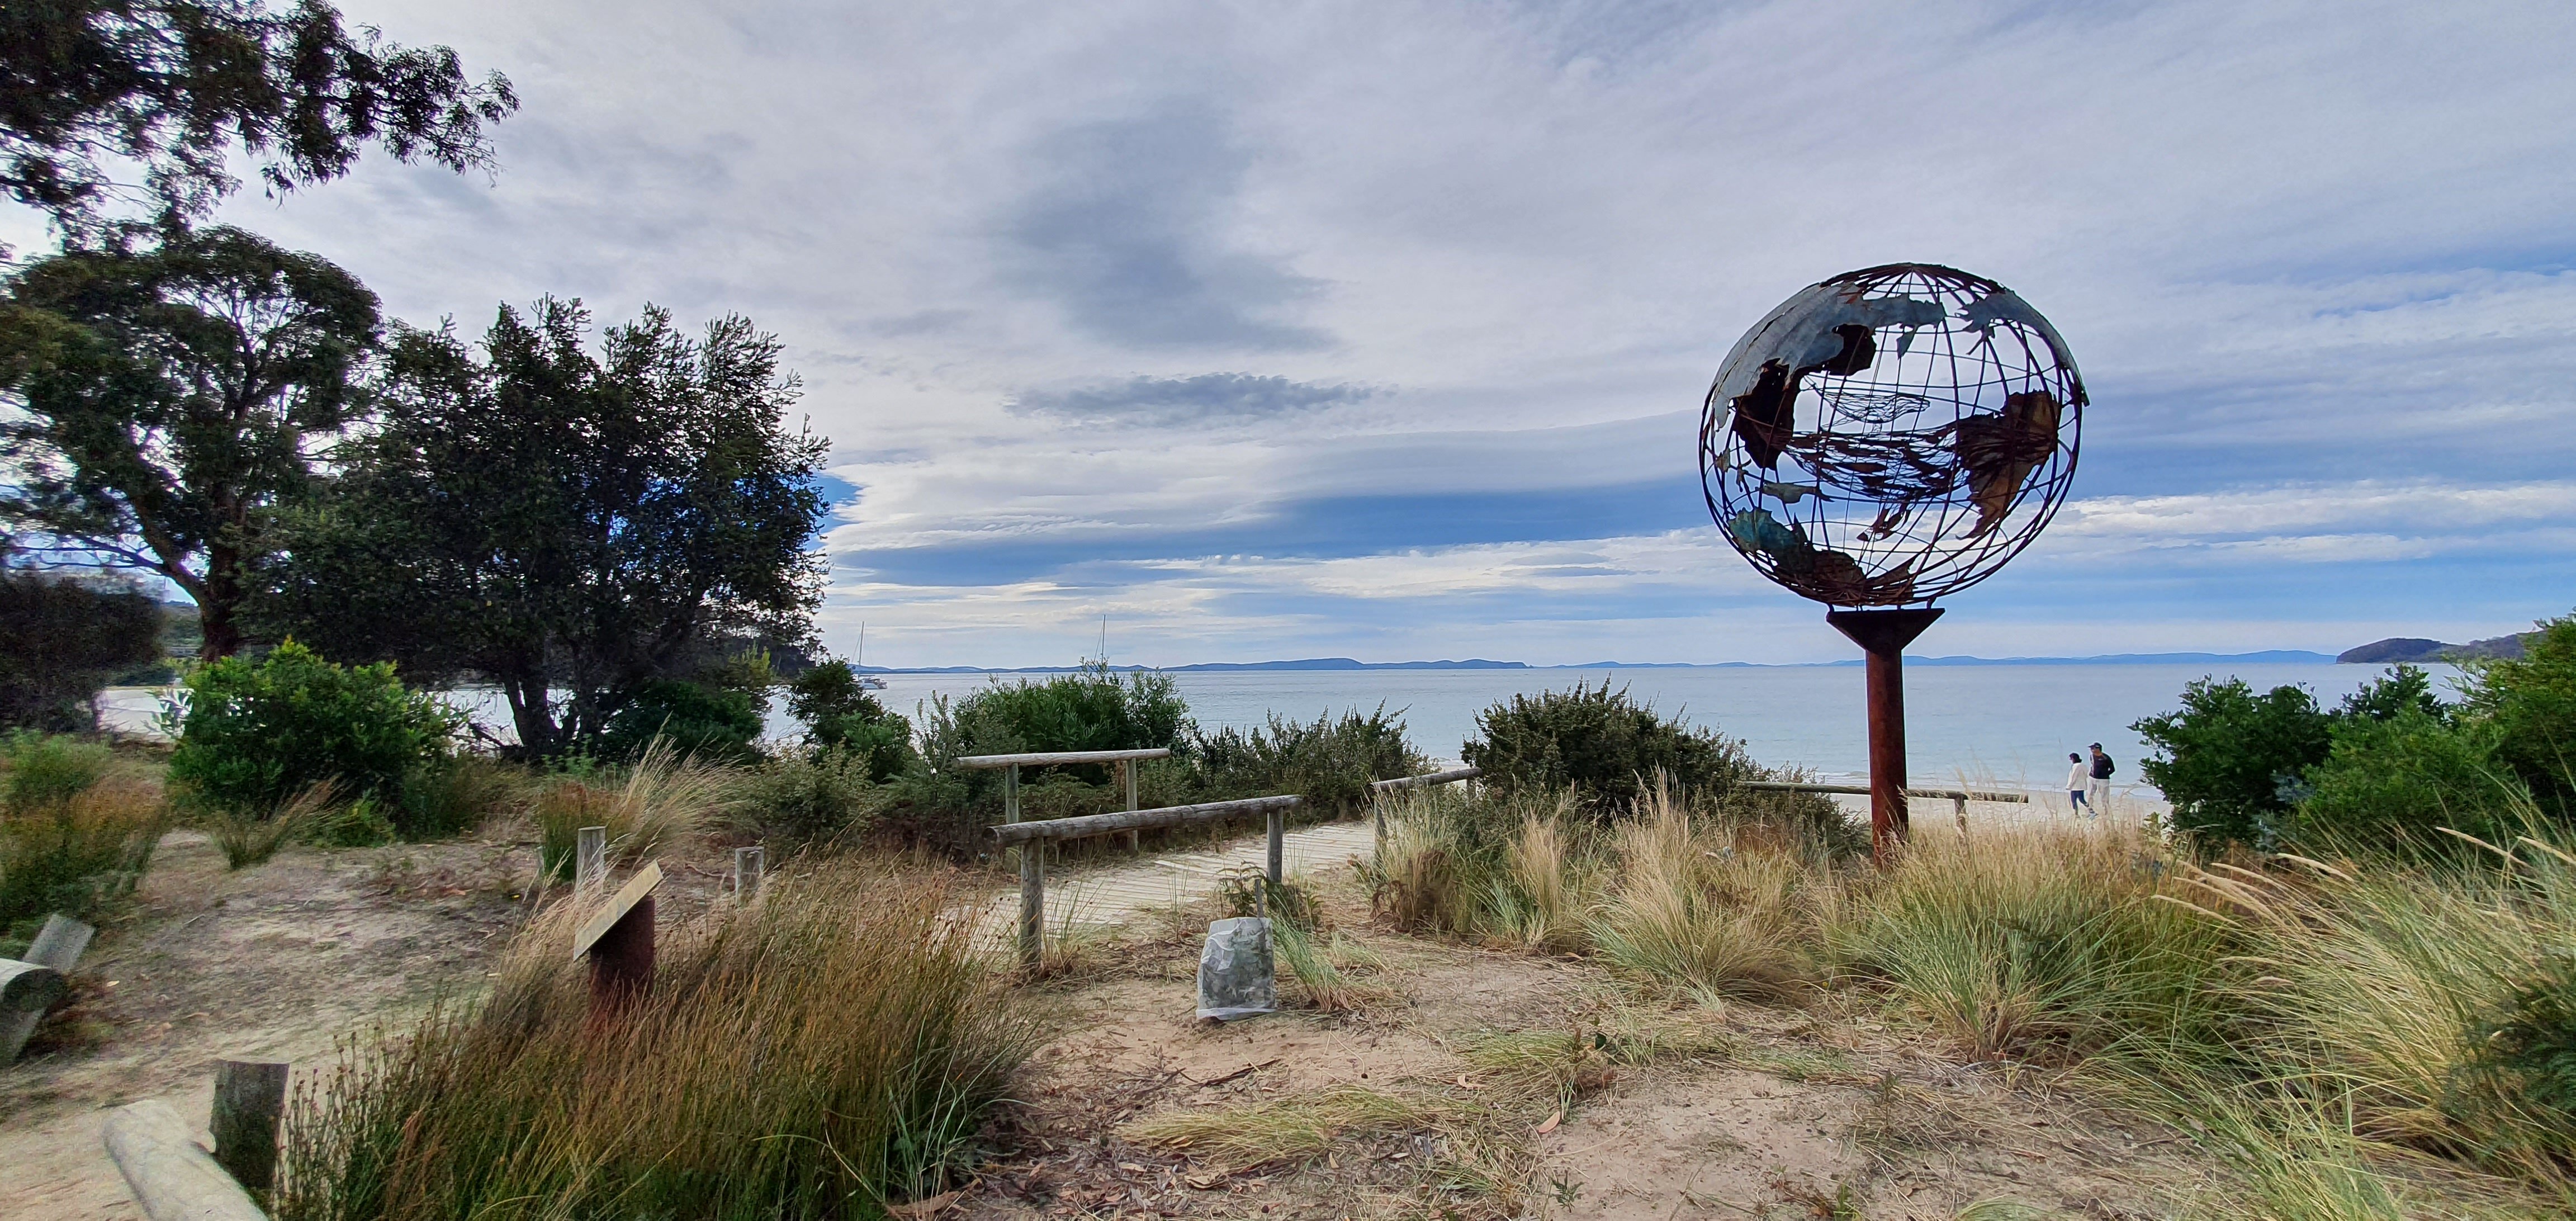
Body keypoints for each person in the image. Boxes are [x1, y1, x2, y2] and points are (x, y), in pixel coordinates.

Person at [2087, 743, 2115, 813]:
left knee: (2104, 796)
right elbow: (2093, 766)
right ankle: (2090, 809)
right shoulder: (2091, 756)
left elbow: (2112, 769)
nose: (2091, 750)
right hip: (2093, 778)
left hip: (2104, 780)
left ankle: (2106, 810)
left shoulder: (2106, 758)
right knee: (2090, 794)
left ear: (2098, 749)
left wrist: (2105, 775)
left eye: (2093, 748)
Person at [2066, 751, 2094, 816]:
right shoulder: (2083, 765)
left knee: (2074, 801)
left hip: (2075, 787)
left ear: (2073, 759)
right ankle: (2091, 810)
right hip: (2082, 786)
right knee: (2082, 800)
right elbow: (2087, 774)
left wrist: (2069, 786)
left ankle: (2076, 814)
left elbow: (2073, 777)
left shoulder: (2076, 766)